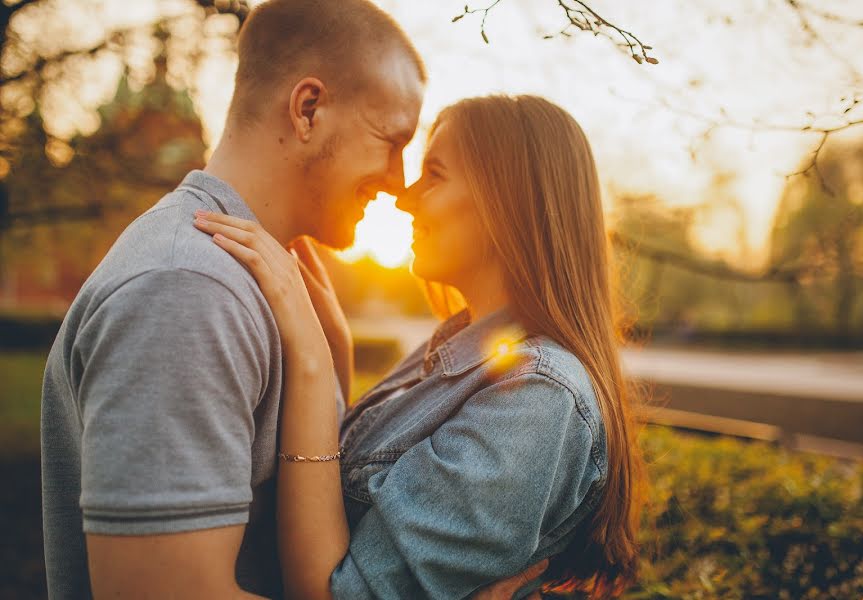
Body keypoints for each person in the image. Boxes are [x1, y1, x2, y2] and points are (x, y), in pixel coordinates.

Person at [41, 0, 541, 597]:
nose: (397, 182)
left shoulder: (265, 284)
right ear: (309, 110)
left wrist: (329, 361)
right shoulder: (189, 289)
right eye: (391, 139)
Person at [193, 94, 646, 599]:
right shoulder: (456, 351)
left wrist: (311, 358)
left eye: (434, 174)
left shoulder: (537, 397)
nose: (404, 198)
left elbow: (334, 593)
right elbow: (342, 491)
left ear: (508, 200)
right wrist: (335, 346)